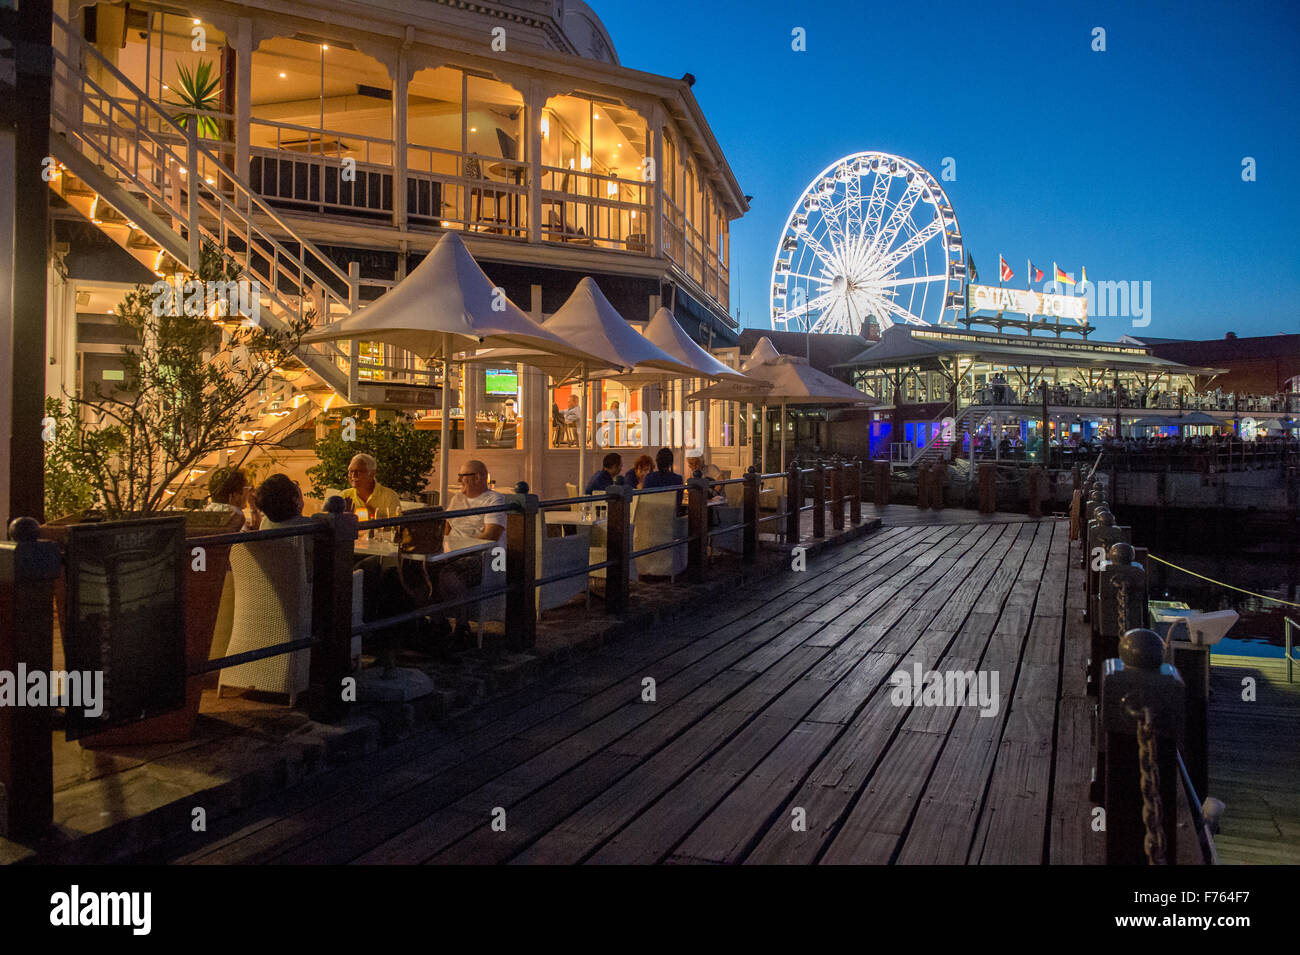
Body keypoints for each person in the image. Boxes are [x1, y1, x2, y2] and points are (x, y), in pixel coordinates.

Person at [438, 459, 507, 644]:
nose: (459, 480)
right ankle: (438, 624)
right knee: (420, 570)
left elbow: (492, 534)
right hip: (454, 552)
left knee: (450, 574)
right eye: (459, 476)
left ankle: (462, 627)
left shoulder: (494, 499)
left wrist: (459, 548)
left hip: (486, 556)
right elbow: (447, 526)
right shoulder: (457, 498)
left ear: (477, 477)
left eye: (462, 476)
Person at [340, 452, 400, 518]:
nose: (353, 475)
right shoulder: (345, 496)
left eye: (359, 471)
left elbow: (396, 526)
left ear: (372, 474)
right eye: (351, 471)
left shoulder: (389, 497)